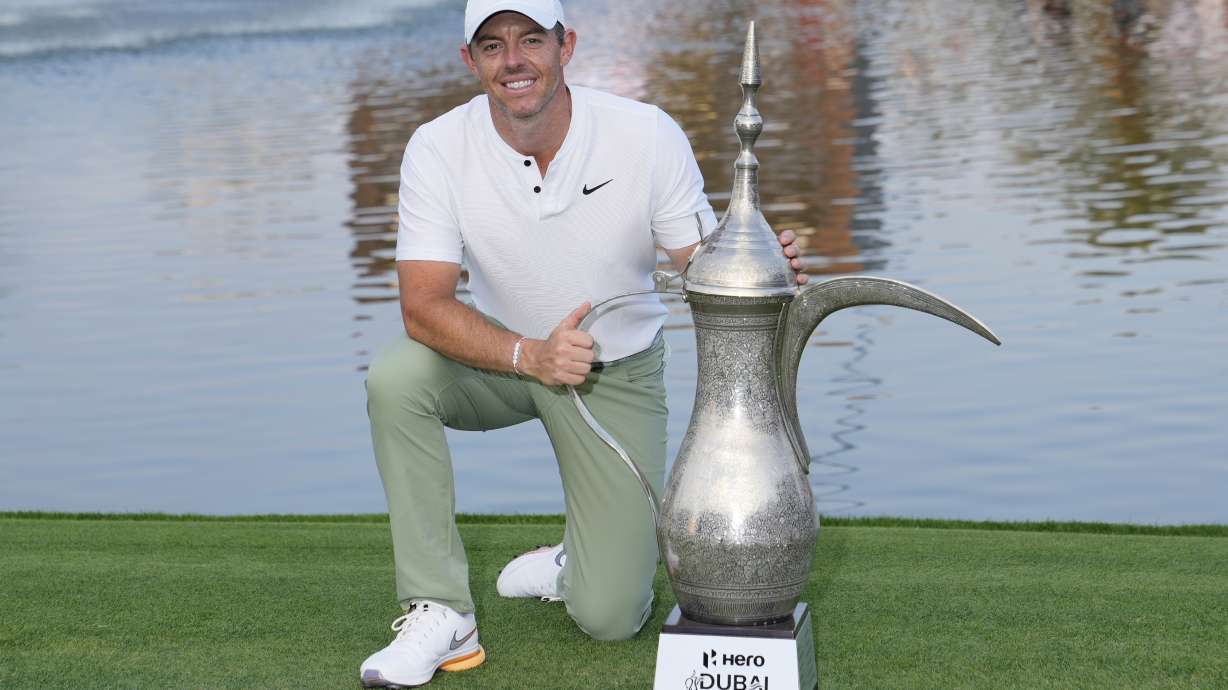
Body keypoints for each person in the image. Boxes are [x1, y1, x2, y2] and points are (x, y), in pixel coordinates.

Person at [358, 0, 807, 686]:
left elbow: (698, 261)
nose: (513, 60)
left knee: (611, 616)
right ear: (469, 61)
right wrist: (527, 355)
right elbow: (423, 304)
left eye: (531, 39)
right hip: (503, 361)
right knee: (395, 379)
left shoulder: (645, 134)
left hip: (612, 372)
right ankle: (441, 611)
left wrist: (757, 268)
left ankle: (577, 560)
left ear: (567, 46)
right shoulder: (436, 146)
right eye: (492, 45)